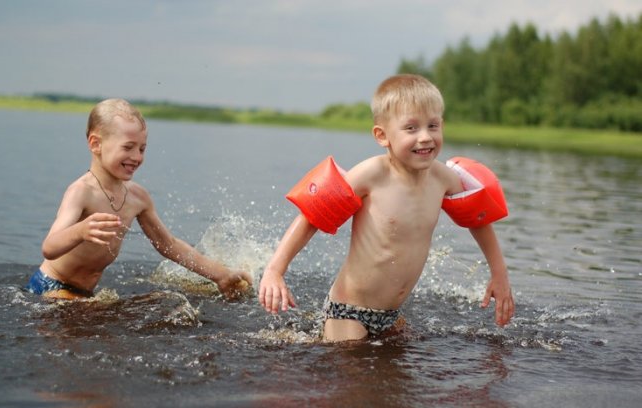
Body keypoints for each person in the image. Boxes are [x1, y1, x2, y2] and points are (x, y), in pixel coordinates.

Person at [258, 74, 514, 342]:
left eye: (433, 125)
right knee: (350, 364)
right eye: (411, 128)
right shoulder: (371, 175)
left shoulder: (444, 179)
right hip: (349, 312)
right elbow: (312, 216)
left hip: (392, 314)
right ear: (382, 135)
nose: (425, 137)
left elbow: (478, 219)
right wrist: (275, 270)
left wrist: (499, 274)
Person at [26, 98, 251, 300]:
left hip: (83, 294)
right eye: (128, 147)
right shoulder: (82, 191)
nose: (136, 157)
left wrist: (221, 275)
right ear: (96, 144)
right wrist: (80, 230)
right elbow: (49, 247)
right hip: (51, 286)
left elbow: (168, 245)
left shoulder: (137, 196)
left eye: (142, 149)